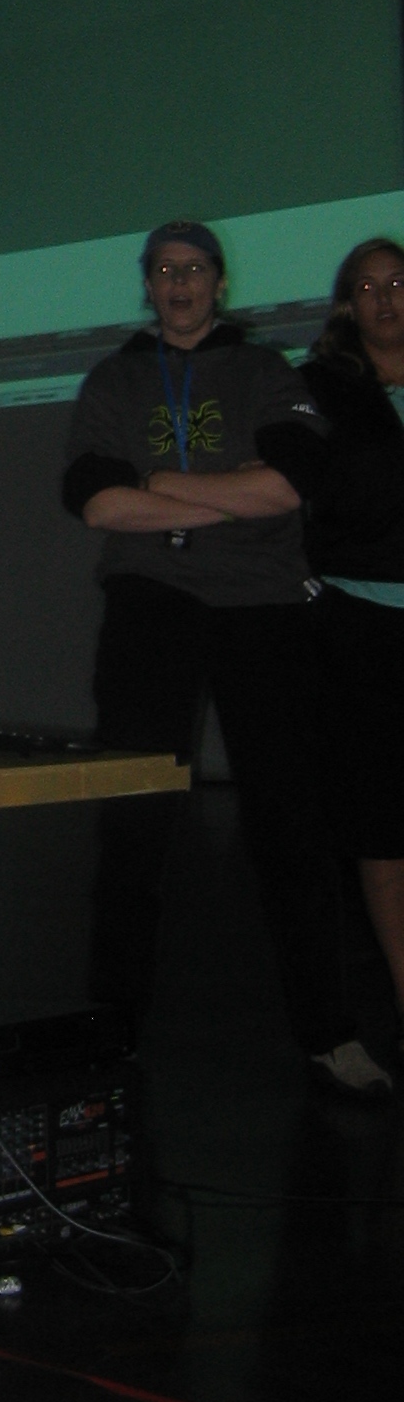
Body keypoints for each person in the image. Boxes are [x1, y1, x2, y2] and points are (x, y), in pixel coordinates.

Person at [63, 219, 387, 1098]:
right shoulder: (114, 379)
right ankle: (112, 1028)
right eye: (164, 270)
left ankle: (331, 1034)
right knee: (134, 823)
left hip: (262, 607)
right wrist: (227, 497)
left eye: (195, 268)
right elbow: (96, 504)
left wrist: (161, 487)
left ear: (220, 281)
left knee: (291, 825)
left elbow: (289, 484)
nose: (179, 283)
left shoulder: (265, 370)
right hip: (151, 603)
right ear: (148, 284)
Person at [299, 237, 404, 1045]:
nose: (384, 299)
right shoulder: (323, 389)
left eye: (397, 283)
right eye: (366, 287)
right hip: (366, 626)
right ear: (347, 304)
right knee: (382, 823)